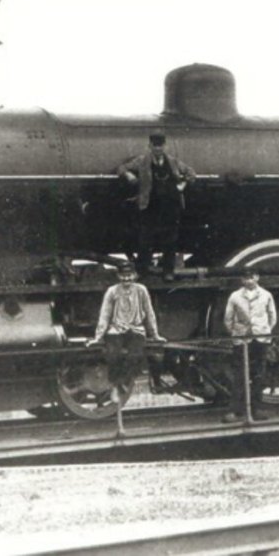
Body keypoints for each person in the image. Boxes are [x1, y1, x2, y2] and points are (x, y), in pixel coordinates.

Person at [117, 132, 196, 281]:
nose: (158, 148)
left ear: (165, 146)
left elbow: (191, 173)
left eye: (160, 145)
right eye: (155, 145)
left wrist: (183, 185)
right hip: (150, 207)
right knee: (145, 240)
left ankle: (168, 272)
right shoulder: (142, 161)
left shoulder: (173, 162)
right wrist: (128, 175)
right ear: (150, 146)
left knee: (170, 241)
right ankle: (143, 271)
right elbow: (121, 168)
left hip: (171, 207)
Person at [87, 261, 165, 403]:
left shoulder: (141, 290)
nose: (126, 278)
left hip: (135, 329)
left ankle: (122, 383)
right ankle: (115, 385)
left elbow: (149, 312)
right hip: (116, 329)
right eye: (123, 275)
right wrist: (98, 337)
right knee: (112, 354)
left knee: (136, 354)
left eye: (129, 275)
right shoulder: (112, 291)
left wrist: (155, 334)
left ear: (134, 275)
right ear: (118, 276)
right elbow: (104, 314)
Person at [222, 268, 276, 423]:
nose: (249, 280)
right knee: (239, 375)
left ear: (257, 277)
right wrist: (236, 333)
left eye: (251, 277)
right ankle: (236, 411)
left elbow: (272, 316)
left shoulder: (266, 295)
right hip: (241, 339)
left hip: (260, 338)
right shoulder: (235, 296)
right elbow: (228, 318)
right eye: (245, 278)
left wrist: (265, 331)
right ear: (242, 280)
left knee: (259, 374)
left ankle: (257, 409)